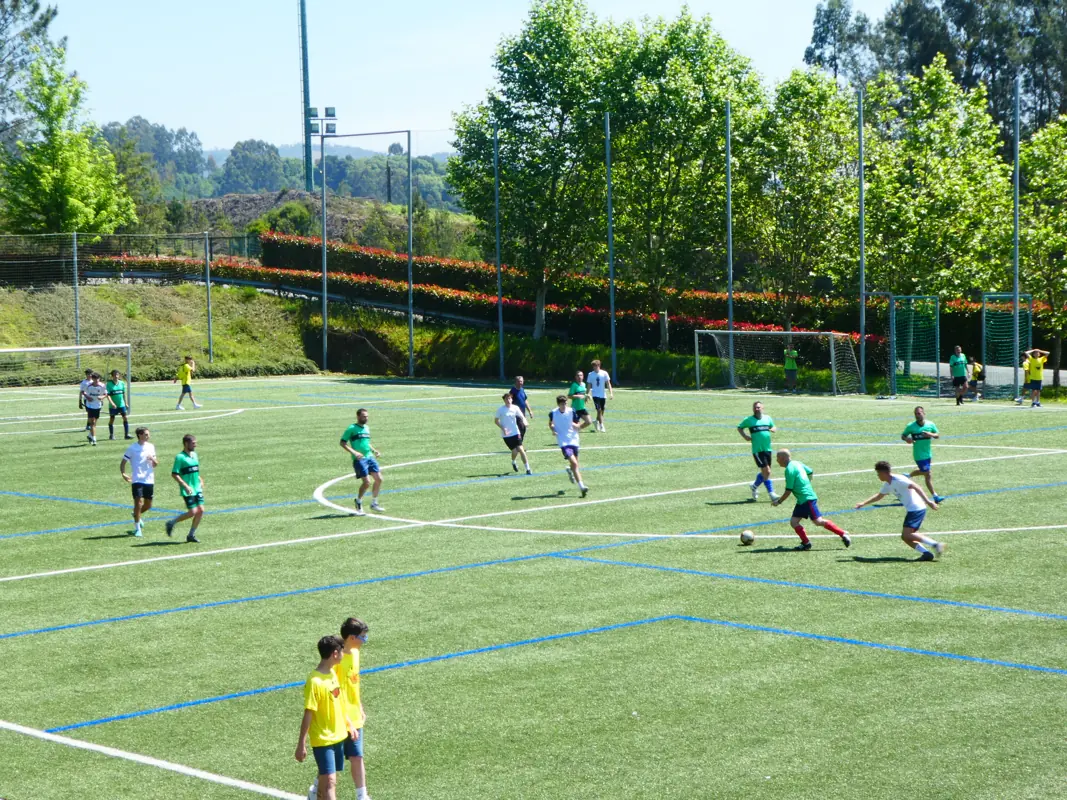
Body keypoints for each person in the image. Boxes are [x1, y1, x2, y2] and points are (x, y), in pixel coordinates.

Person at [296, 635, 354, 800]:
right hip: (323, 739)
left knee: (326, 780)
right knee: (330, 781)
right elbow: (309, 713)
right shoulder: (314, 681)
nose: (343, 654)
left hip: (339, 735)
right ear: (335, 653)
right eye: (342, 650)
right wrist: (301, 744)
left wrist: (348, 723)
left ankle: (314, 796)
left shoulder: (332, 674)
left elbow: (339, 702)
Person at [854, 460, 944, 561]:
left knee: (907, 534)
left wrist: (928, 501)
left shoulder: (899, 479)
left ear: (884, 473)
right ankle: (926, 554)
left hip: (917, 508)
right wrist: (863, 503)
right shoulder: (888, 484)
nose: (878, 476)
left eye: (878, 474)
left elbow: (916, 487)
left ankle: (935, 544)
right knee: (905, 537)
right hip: (912, 509)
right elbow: (879, 496)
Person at [771, 449, 851, 550]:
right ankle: (806, 543)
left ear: (783, 458)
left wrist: (778, 502)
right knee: (794, 522)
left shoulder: (789, 470)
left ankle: (843, 533)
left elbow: (788, 491)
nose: (777, 461)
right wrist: (806, 483)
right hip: (802, 500)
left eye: (777, 458)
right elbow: (810, 471)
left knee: (818, 521)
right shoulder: (797, 463)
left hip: (807, 499)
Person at [335, 618, 372, 800]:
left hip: (355, 715)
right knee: (334, 761)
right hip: (339, 716)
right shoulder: (337, 661)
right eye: (362, 637)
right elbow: (335, 693)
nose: (364, 641)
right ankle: (317, 789)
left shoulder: (356, 653)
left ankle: (362, 796)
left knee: (357, 756)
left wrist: (360, 707)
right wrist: (346, 719)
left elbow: (353, 685)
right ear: (351, 637)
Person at [341, 408, 384, 516]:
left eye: (367, 416)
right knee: (367, 482)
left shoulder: (366, 428)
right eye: (364, 416)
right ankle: (358, 501)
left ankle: (374, 503)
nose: (366, 418)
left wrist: (374, 450)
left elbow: (366, 442)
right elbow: (342, 443)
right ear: (358, 417)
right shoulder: (352, 428)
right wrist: (354, 452)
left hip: (370, 457)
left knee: (379, 479)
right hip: (359, 459)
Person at [737, 401, 780, 502]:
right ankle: (771, 493)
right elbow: (739, 428)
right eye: (755, 407)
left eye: (758, 407)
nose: (757, 409)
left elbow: (773, 426)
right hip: (757, 450)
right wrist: (745, 436)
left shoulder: (767, 418)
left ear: (762, 408)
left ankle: (754, 486)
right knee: (767, 471)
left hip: (767, 449)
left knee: (766, 472)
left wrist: (773, 429)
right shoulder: (749, 420)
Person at [165, 434, 204, 543]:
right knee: (192, 512)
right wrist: (185, 486)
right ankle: (172, 522)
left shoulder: (194, 455)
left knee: (201, 510)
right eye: (193, 443)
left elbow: (195, 470)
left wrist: (200, 479)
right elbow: (174, 474)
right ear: (186, 444)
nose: (195, 445)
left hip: (197, 488)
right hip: (188, 489)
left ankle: (191, 535)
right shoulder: (180, 457)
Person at [549, 394, 590, 497]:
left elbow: (577, 423)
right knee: (574, 463)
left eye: (565, 403)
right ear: (558, 404)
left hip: (574, 440)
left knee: (575, 465)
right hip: (563, 442)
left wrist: (578, 426)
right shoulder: (553, 413)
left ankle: (570, 470)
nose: (564, 405)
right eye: (562, 404)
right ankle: (582, 487)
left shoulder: (572, 411)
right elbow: (551, 424)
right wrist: (553, 429)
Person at [120, 427, 157, 538]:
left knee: (148, 505)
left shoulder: (151, 447)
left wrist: (152, 459)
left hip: (149, 479)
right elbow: (123, 462)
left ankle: (136, 514)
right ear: (140, 435)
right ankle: (138, 529)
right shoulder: (132, 448)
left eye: (148, 434)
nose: (148, 436)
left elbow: (155, 464)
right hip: (137, 479)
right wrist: (123, 473)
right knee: (138, 503)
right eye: (146, 434)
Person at [902, 405, 943, 503]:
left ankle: (908, 476)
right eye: (916, 414)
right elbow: (903, 436)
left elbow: (937, 435)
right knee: (927, 473)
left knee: (925, 473)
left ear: (924, 413)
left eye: (919, 413)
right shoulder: (911, 426)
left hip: (928, 454)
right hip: (918, 454)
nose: (917, 415)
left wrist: (930, 434)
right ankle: (935, 496)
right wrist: (907, 439)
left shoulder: (930, 424)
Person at [495, 392, 531, 475]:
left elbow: (521, 416)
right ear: (504, 400)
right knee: (514, 451)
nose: (508, 400)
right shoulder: (500, 410)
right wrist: (503, 428)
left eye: (509, 398)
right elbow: (496, 421)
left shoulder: (515, 408)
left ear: (512, 399)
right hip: (506, 434)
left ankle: (528, 469)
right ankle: (513, 461)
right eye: (506, 399)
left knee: (521, 449)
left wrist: (525, 422)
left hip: (516, 432)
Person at [81, 372, 107, 446]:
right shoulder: (88, 385)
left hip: (98, 406)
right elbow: (83, 391)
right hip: (90, 405)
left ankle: (90, 435)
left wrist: (102, 397)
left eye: (97, 378)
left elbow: (106, 394)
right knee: (92, 422)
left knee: (94, 423)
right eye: (94, 379)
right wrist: (87, 397)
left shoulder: (102, 385)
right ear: (92, 379)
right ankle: (94, 439)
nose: (96, 380)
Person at [588, 359, 614, 432]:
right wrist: (587, 394)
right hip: (595, 395)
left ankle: (596, 420)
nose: (595, 367)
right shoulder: (590, 374)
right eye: (594, 366)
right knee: (599, 410)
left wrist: (611, 393)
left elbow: (608, 384)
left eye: (596, 366)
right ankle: (601, 425)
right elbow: (589, 385)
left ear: (599, 365)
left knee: (602, 410)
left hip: (602, 395)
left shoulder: (604, 373)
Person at [106, 369, 132, 440]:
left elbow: (123, 394)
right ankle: (111, 435)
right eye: (114, 375)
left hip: (121, 405)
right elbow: (108, 395)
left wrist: (126, 403)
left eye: (117, 374)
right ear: (112, 376)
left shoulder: (121, 383)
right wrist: (112, 403)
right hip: (113, 406)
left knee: (125, 418)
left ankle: (126, 434)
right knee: (112, 419)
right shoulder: (109, 384)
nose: (116, 376)